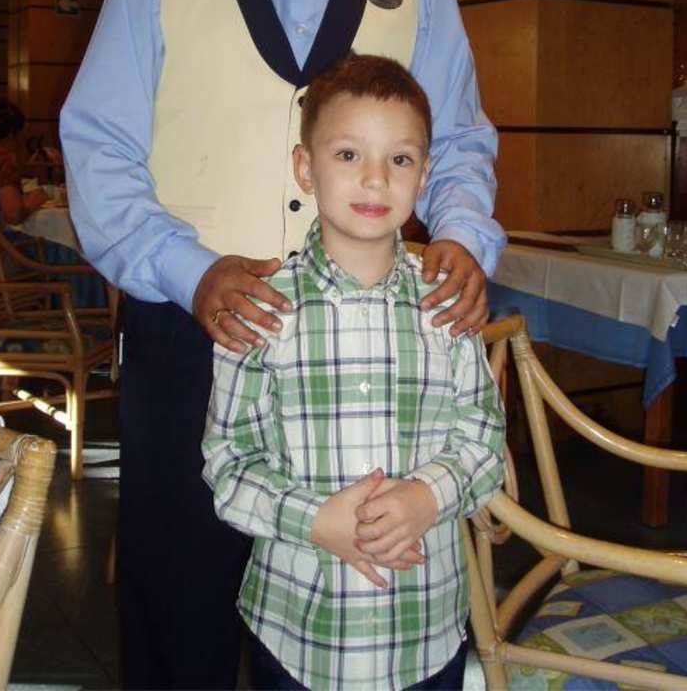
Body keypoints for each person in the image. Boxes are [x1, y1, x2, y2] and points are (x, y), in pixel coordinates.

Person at [60, 0, 506, 690]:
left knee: (358, 615)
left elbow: (462, 139)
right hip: (192, 335)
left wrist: (463, 238)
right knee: (179, 615)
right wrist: (190, 271)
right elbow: (98, 152)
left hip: (379, 348)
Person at [203, 55, 505, 691]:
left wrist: (429, 496)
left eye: (400, 159)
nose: (375, 178)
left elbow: (484, 439)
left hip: (425, 630)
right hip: (298, 631)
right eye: (348, 154)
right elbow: (229, 464)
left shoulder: (447, 304)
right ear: (305, 169)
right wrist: (315, 520)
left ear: (425, 175)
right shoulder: (261, 310)